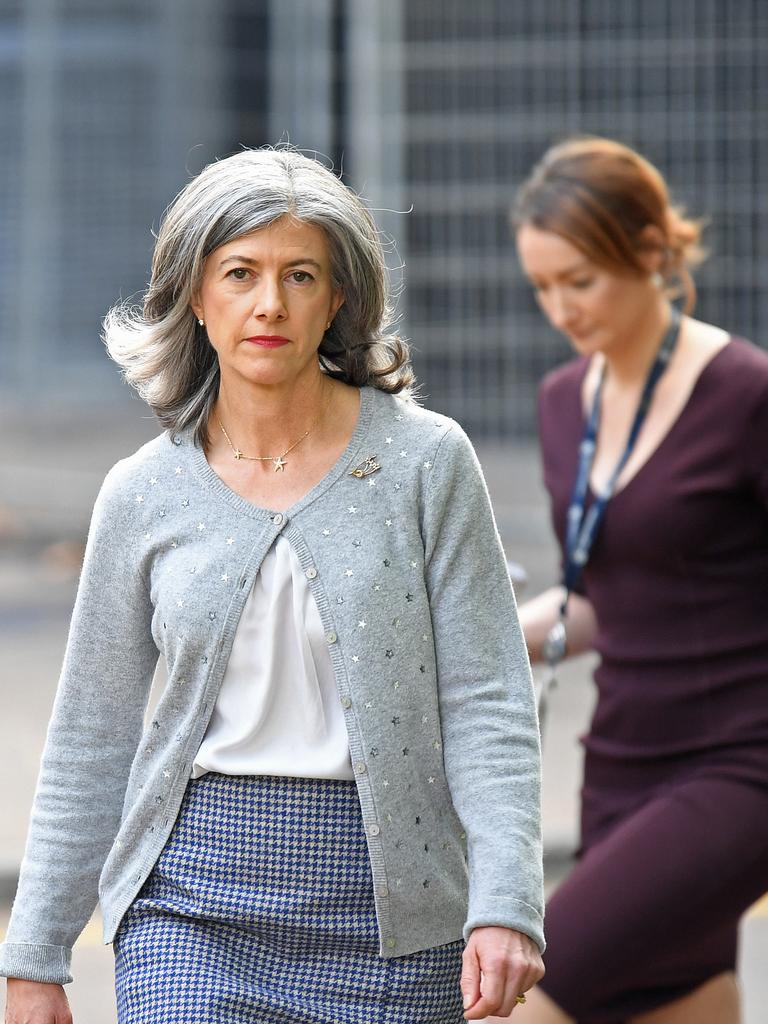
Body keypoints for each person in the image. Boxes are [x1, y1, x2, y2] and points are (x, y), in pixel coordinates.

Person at [0, 147, 545, 1024]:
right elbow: (90, 736)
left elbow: (488, 699)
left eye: (300, 275)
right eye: (240, 273)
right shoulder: (142, 492)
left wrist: (507, 900)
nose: (269, 303)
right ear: (195, 296)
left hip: (395, 916)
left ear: (337, 299)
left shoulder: (426, 462)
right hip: (192, 910)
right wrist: (35, 956)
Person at [488, 136, 768, 1024]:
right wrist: (471, 639)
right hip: (620, 763)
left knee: (519, 994)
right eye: (542, 287)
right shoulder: (562, 401)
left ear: (650, 250)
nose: (561, 308)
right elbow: (603, 593)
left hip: (740, 766)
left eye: (581, 279)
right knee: (673, 1005)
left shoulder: (746, 394)